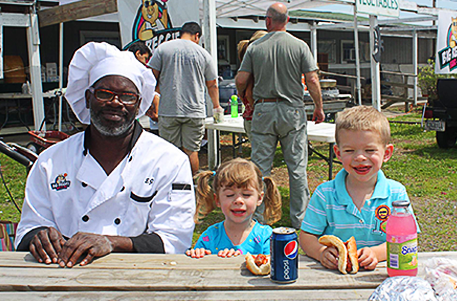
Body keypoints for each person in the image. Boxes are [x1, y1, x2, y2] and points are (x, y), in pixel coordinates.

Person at [15, 42, 196, 267]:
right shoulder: (50, 161)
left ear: (139, 104)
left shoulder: (169, 161)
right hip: (64, 276)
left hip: (141, 278)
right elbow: (28, 227)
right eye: (104, 93)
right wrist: (38, 236)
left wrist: (110, 243)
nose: (115, 103)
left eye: (127, 96)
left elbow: (175, 239)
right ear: (88, 98)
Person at [235, 2, 325, 229]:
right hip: (292, 110)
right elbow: (312, 79)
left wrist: (245, 96)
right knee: (297, 168)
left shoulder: (255, 47)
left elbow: (240, 80)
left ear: (267, 21)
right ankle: (301, 220)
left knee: (260, 168)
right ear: (287, 21)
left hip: (264, 110)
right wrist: (318, 107)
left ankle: (259, 219)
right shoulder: (300, 46)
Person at [299, 105, 419, 271]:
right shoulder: (325, 194)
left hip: (381, 276)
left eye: (370, 150)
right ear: (338, 153)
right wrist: (321, 252)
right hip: (333, 277)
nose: (360, 157)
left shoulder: (396, 194)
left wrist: (376, 253)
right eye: (349, 150)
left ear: (386, 153)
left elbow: (407, 240)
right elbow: (306, 236)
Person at [148, 21, 222, 175]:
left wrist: (150, 103)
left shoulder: (163, 49)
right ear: (197, 36)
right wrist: (216, 106)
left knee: (169, 152)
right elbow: (213, 84)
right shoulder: (203, 53)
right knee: (191, 151)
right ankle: (192, 187)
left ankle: (170, 186)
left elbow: (150, 78)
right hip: (194, 111)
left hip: (168, 109)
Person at [186, 158, 282, 258]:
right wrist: (199, 255)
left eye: (246, 194)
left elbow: (274, 268)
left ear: (259, 198)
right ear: (217, 200)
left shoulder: (266, 237)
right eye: (229, 195)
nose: (238, 200)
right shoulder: (210, 237)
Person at [236, 30, 267, 139]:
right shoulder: (254, 71)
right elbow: (249, 94)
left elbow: (242, 93)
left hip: (249, 117)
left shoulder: (246, 69)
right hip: (256, 118)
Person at [127, 41, 160, 135]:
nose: (145, 62)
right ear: (138, 53)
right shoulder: (139, 70)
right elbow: (152, 92)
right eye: (145, 58)